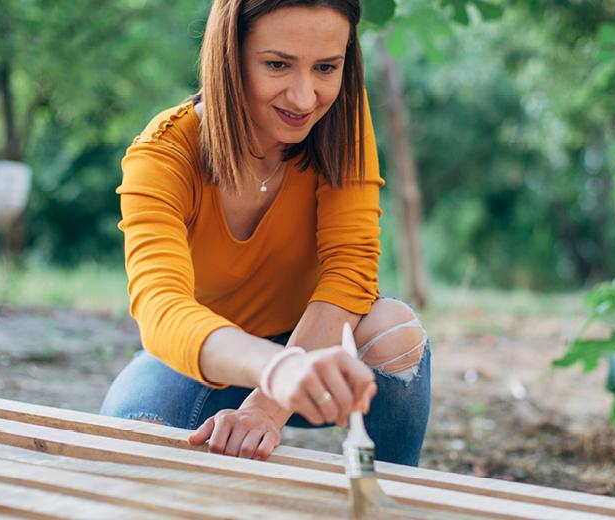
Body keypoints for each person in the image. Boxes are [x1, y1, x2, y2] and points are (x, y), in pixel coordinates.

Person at [99, 0, 431, 466]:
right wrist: (275, 370)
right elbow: (160, 308)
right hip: (209, 357)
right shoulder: (162, 155)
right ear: (229, 57)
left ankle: (382, 497)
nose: (303, 97)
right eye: (277, 65)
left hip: (318, 353)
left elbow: (349, 272)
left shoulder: (341, 129)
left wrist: (267, 406)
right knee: (130, 428)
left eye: (326, 68)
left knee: (395, 332)